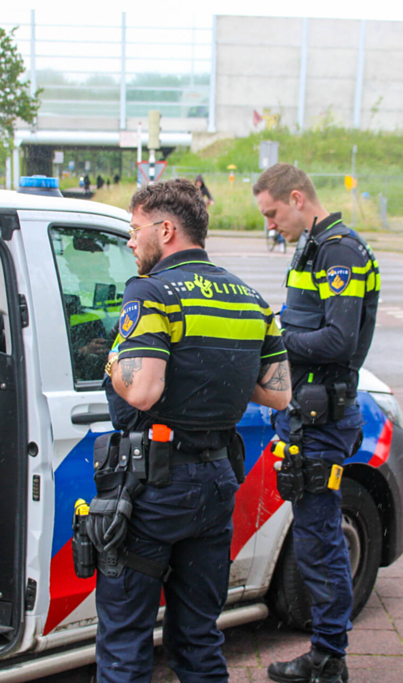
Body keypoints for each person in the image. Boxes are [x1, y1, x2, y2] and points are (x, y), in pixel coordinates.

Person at [94, 178, 292, 683]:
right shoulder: (249, 299)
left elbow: (140, 393)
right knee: (199, 639)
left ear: (166, 229)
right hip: (216, 484)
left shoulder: (151, 291)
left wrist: (113, 358)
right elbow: (277, 392)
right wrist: (211, 373)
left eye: (136, 229)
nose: (131, 241)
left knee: (125, 639)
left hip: (152, 490)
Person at [252, 163, 380, 683]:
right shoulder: (312, 245)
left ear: (298, 198)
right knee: (313, 539)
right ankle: (326, 653)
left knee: (321, 543)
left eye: (273, 213)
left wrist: (274, 337)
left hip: (324, 421)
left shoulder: (339, 251)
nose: (270, 224)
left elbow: (338, 341)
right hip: (306, 418)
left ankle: (329, 659)